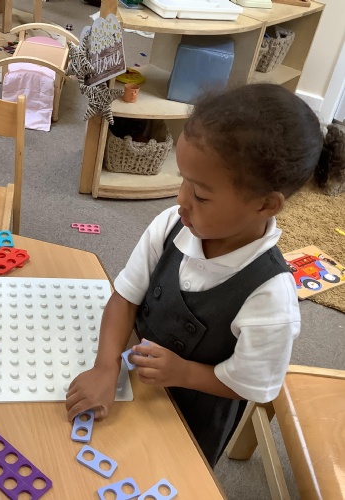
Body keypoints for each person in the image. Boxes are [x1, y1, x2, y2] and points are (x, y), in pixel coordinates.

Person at [65, 83, 324, 467]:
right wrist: (106, 366)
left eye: (201, 195)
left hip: (192, 416)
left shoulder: (271, 297)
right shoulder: (172, 224)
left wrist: (184, 373)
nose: (181, 199)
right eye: (183, 179)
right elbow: (125, 297)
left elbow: (250, 384)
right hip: (134, 382)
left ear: (265, 205)